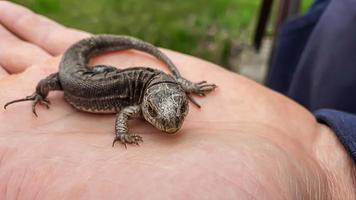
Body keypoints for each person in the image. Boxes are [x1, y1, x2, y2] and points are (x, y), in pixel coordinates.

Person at [0, 1, 354, 199]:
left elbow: (150, 99)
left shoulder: (163, 89)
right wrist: (120, 133)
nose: (169, 122)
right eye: (156, 113)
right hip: (74, 78)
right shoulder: (138, 97)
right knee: (53, 80)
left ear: (181, 96)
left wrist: (326, 166)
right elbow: (125, 112)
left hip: (103, 73)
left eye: (178, 109)